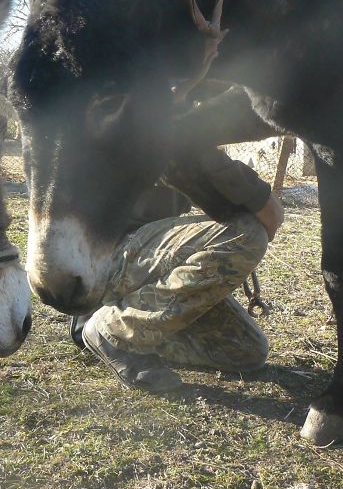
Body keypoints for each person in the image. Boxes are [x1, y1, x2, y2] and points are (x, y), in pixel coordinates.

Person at [75, 146, 284, 391]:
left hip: (141, 262)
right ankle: (112, 331)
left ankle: (141, 330)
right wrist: (257, 195)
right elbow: (189, 154)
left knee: (245, 350)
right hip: (108, 255)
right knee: (247, 234)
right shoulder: (154, 117)